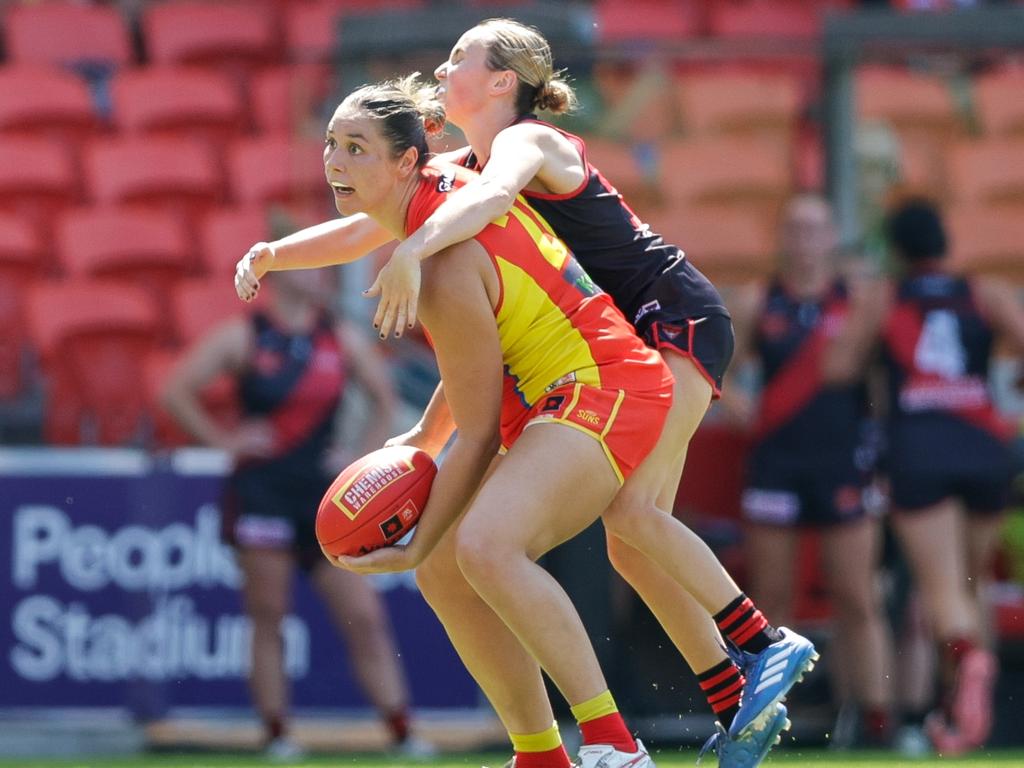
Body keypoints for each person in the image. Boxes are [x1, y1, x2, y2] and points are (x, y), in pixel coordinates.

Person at [235, 20, 816, 766]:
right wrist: (277, 253)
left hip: (663, 319)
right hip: (580, 364)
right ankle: (592, 737)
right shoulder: (448, 182)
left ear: (505, 81)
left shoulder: (520, 149)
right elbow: (374, 240)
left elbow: (475, 220)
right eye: (332, 147)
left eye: (460, 59)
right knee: (547, 549)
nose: (444, 70)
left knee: (597, 522)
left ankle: (729, 663)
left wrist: (413, 253)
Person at [160, 267, 433, 760]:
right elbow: (175, 389)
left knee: (363, 616)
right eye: (311, 267)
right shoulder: (244, 336)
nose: (325, 276)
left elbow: (383, 398)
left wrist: (359, 458)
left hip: (324, 498)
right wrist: (223, 442)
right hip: (262, 492)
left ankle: (401, 731)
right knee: (269, 614)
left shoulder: (339, 338)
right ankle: (277, 734)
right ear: (282, 276)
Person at [724, 194, 894, 747]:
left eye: (814, 229)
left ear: (830, 238)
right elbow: (718, 372)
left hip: (842, 461)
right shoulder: (758, 300)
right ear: (782, 238)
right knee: (771, 597)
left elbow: (877, 385)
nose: (803, 239)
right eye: (793, 228)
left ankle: (876, 719)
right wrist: (750, 416)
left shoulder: (857, 302)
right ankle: (768, 721)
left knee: (856, 594)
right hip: (776, 462)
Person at [878, 198, 1024, 755]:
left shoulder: (886, 298)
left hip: (922, 450)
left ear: (898, 250)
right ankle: (959, 719)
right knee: (973, 582)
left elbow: (838, 364)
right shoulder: (982, 292)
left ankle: (972, 665)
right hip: (986, 449)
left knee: (941, 590)